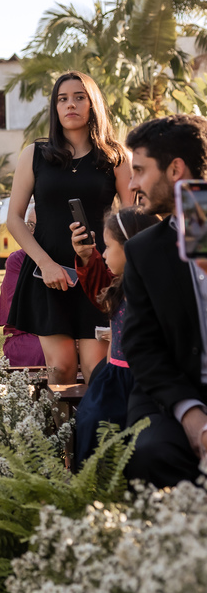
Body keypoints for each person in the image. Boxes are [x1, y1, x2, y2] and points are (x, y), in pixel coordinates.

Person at [6, 72, 131, 384]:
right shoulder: (35, 155)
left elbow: (132, 219)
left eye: (79, 97)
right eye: (62, 99)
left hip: (98, 275)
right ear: (55, 107)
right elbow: (14, 218)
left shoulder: (115, 156)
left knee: (95, 369)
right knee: (60, 368)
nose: (70, 105)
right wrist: (45, 264)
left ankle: (94, 420)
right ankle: (61, 421)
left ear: (93, 104)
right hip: (47, 274)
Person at [119, 114, 207, 487]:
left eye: (140, 170)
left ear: (175, 169)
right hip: (171, 393)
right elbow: (141, 345)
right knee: (151, 450)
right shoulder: (143, 250)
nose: (132, 184)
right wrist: (190, 412)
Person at [70, 207, 159, 469]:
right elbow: (113, 348)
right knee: (92, 426)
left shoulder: (158, 294)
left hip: (144, 383)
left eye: (108, 247)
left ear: (133, 246)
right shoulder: (118, 289)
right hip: (112, 381)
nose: (105, 254)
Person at [0, 206, 45, 368]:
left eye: (38, 226)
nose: (31, 232)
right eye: (29, 225)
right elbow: (21, 313)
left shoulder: (74, 257)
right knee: (42, 351)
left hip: (73, 334)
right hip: (31, 335)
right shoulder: (18, 260)